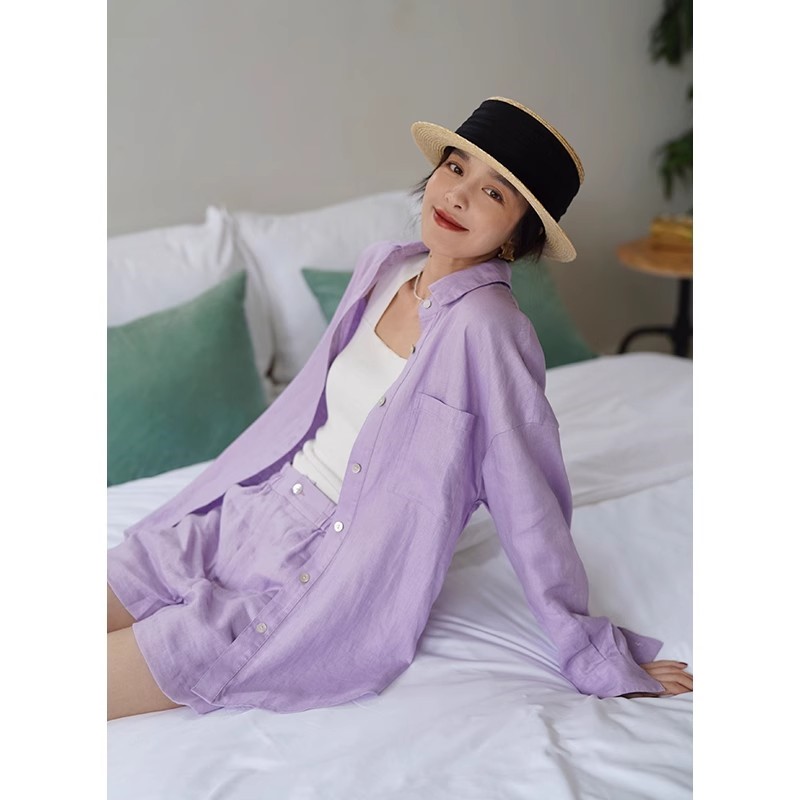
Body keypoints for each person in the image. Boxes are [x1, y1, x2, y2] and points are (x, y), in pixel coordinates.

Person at [107, 97, 692, 720]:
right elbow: (307, 411)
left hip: (320, 568)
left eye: (494, 193)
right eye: (456, 167)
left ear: (518, 236)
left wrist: (592, 652)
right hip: (248, 513)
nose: (459, 195)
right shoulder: (385, 265)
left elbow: (531, 505)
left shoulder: (488, 330)